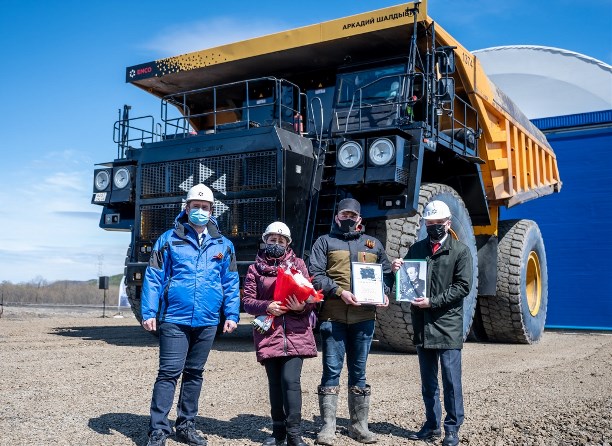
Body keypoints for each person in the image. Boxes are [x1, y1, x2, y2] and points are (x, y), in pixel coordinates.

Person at [141, 183, 240, 446]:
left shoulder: (224, 244)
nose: (200, 211)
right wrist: (149, 311)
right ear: (186, 208)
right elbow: (154, 277)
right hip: (175, 318)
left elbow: (230, 282)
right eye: (196, 206)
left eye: (205, 207)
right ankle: (158, 430)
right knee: (168, 373)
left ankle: (186, 426)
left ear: (212, 210)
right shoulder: (168, 240)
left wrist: (232, 314)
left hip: (208, 320)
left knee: (195, 373)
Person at [308, 198, 392, 445]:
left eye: (352, 216)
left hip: (364, 318)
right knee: (331, 371)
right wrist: (339, 291)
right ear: (337, 217)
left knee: (359, 371)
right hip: (332, 317)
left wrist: (384, 292)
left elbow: (386, 274)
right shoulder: (324, 242)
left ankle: (359, 426)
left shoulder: (373, 245)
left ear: (359, 219)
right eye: (344, 215)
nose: (348, 219)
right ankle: (328, 427)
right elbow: (315, 275)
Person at [391, 200, 472, 446]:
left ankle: (452, 428)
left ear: (448, 223)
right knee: (428, 383)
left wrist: (432, 302)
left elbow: (463, 287)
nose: (434, 226)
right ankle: (432, 425)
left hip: (447, 326)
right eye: (430, 222)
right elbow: (404, 281)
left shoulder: (460, 251)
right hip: (423, 326)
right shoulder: (417, 249)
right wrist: (397, 268)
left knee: (451, 382)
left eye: (438, 222)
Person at [242, 222, 317, 446]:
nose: (276, 243)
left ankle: (294, 434)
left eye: (281, 240)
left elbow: (311, 298)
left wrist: (301, 307)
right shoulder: (255, 269)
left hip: (295, 333)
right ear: (265, 241)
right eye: (272, 239)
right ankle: (278, 433)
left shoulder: (299, 265)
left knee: (290, 381)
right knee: (275, 383)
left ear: (288, 244)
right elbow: (247, 302)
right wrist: (267, 306)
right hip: (269, 333)